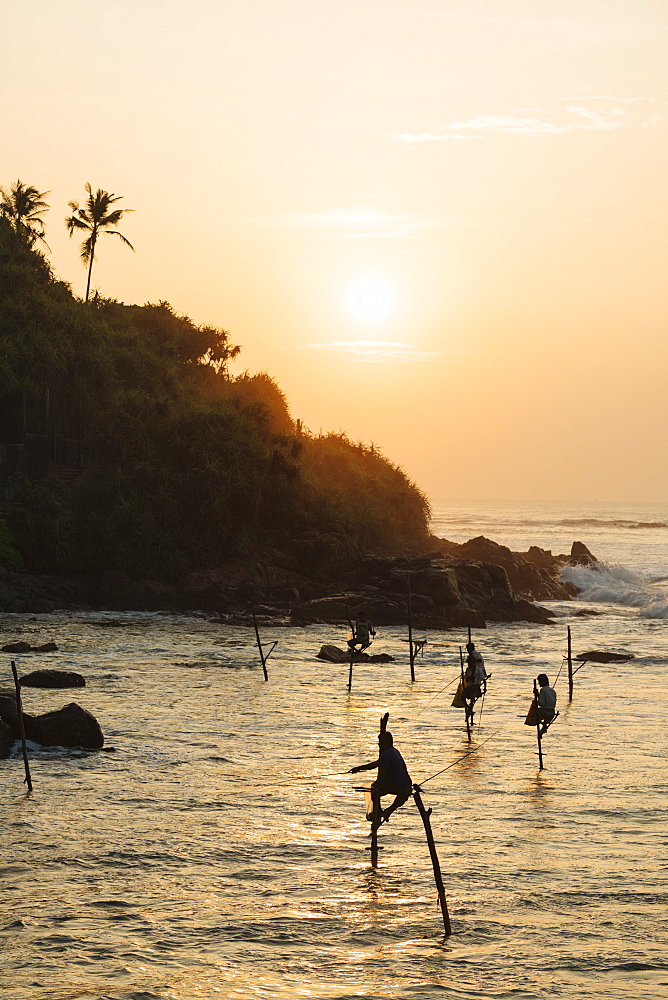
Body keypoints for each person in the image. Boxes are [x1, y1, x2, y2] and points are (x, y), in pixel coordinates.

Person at [350, 730, 412, 826]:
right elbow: (377, 763)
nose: (378, 744)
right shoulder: (394, 751)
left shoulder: (387, 753)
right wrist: (359, 769)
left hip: (399, 786)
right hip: (407, 786)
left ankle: (378, 813)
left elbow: (383, 773)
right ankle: (387, 811)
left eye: (380, 742)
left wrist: (378, 786)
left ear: (385, 742)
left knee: (374, 790)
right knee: (401, 795)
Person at [463, 641, 487, 723]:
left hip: (476, 686)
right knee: (463, 696)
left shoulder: (475, 656)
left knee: (473, 696)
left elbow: (483, 679)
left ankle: (470, 709)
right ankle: (469, 708)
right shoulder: (468, 670)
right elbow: (466, 679)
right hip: (470, 686)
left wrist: (485, 688)